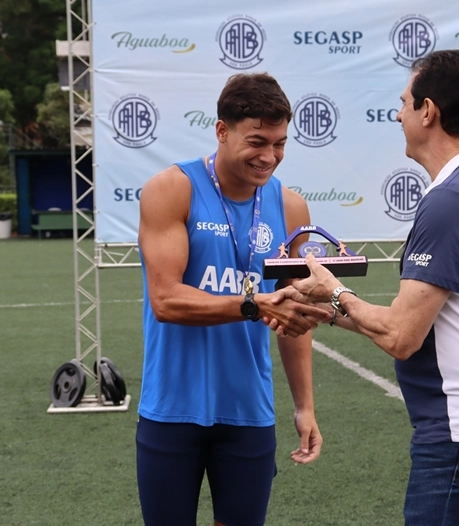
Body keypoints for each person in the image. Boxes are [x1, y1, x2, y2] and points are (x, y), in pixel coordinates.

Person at [274, 50, 459, 525]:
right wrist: (325, 307)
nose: (398, 114)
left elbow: (402, 337)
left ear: (429, 111)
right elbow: (427, 326)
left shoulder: (456, 198)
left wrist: (337, 292)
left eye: (404, 102)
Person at [135, 73, 330, 526]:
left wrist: (305, 407)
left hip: (248, 412)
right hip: (172, 408)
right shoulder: (172, 189)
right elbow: (165, 301)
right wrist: (254, 304)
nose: (269, 156)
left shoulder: (292, 208)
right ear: (222, 130)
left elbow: (293, 314)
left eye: (280, 143)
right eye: (258, 141)